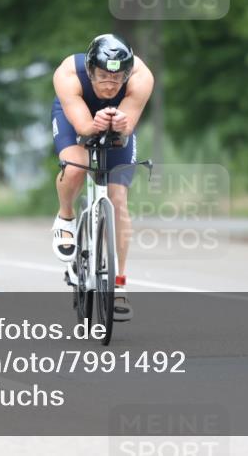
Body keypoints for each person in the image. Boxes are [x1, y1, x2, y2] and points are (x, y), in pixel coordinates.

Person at [50, 34, 154, 322]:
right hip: (76, 114)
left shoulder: (141, 77)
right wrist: (92, 124)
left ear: (127, 73)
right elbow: (84, 126)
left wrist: (121, 125)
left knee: (118, 199)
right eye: (103, 77)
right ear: (90, 70)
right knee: (75, 167)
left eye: (117, 77)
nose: (110, 84)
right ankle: (66, 216)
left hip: (118, 120)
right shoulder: (69, 73)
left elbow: (126, 128)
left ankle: (118, 284)